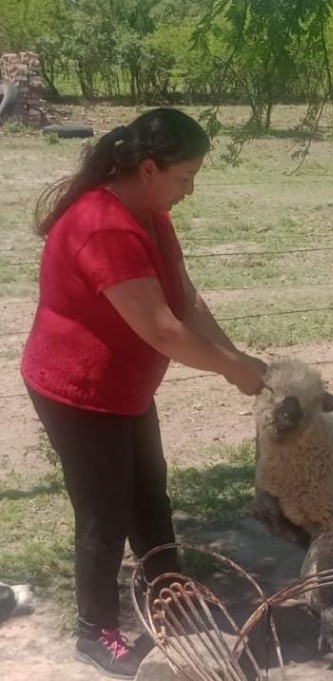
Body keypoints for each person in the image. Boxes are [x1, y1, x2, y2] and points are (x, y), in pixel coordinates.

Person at [21, 108, 266, 679]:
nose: (190, 191)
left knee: (149, 496)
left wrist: (241, 358)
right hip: (76, 390)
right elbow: (161, 329)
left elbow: (185, 299)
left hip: (124, 388)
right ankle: (94, 631)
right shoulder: (102, 225)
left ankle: (171, 598)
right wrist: (234, 371)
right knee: (105, 512)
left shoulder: (150, 212)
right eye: (185, 178)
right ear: (150, 168)